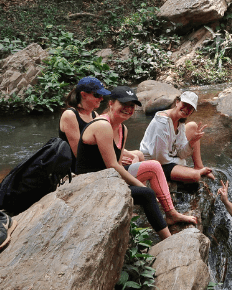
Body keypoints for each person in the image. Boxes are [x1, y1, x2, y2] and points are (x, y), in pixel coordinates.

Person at [76, 86, 197, 239]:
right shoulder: (102, 125)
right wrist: (141, 186)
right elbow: (112, 166)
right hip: (91, 184)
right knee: (146, 193)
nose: (128, 109)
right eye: (124, 104)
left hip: (107, 178)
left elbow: (118, 165)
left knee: (154, 166)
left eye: (132, 106)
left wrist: (134, 162)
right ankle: (168, 238)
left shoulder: (122, 129)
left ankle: (171, 213)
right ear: (111, 103)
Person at [139, 91, 216, 184]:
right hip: (154, 164)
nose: (187, 109)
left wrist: (192, 142)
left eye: (190, 108)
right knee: (195, 176)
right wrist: (181, 163)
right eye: (185, 104)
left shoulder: (180, 123)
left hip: (169, 157)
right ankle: (197, 171)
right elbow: (161, 159)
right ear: (177, 102)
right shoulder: (162, 122)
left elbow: (181, 154)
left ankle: (199, 167)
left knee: (193, 126)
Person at [58, 76, 110, 173]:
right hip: (77, 169)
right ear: (84, 95)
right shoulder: (70, 115)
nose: (101, 99)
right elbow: (79, 154)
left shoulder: (95, 115)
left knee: (136, 155)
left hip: (94, 163)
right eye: (97, 95)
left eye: (102, 95)